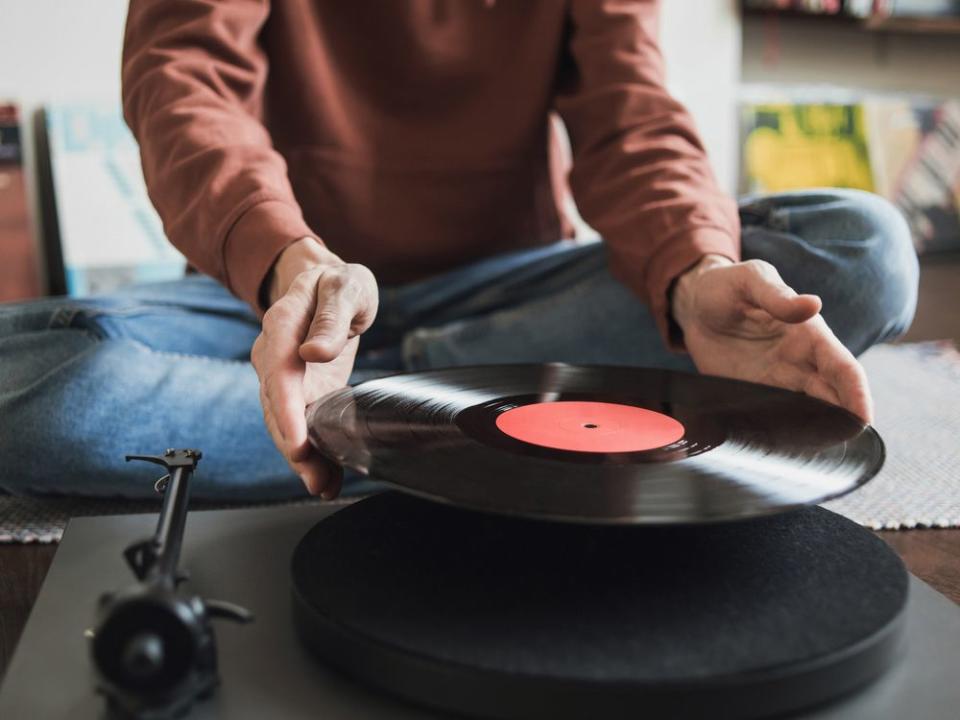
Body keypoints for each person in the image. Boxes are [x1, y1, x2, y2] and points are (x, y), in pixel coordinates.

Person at [0, 0, 917, 499]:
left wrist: (695, 273)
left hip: (511, 292)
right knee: (34, 388)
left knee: (862, 246)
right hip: (292, 299)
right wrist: (293, 265)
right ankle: (474, 420)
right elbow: (183, 83)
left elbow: (631, 115)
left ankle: (391, 416)